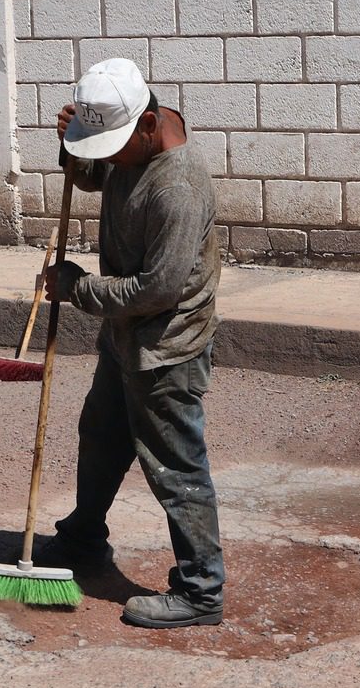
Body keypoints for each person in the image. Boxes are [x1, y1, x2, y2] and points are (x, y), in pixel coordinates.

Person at [37, 58, 226, 630]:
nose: (110, 158)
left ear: (147, 125)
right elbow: (97, 175)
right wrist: (73, 147)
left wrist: (78, 288)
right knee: (101, 435)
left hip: (164, 347)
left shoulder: (178, 187)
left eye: (114, 145)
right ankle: (84, 537)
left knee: (175, 466)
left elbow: (156, 289)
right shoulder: (140, 144)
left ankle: (200, 592)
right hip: (124, 339)